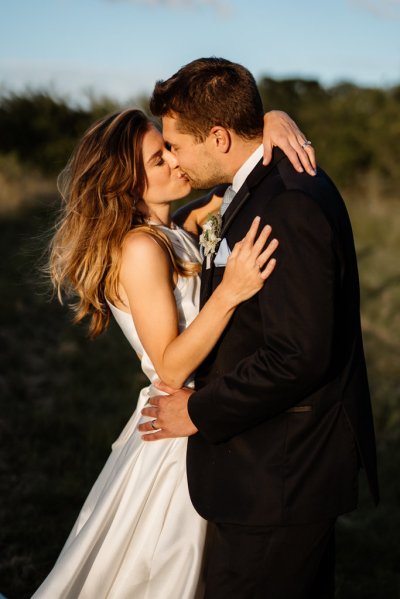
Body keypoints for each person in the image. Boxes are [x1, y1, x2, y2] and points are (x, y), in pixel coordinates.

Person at [32, 107, 314, 598]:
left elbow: (224, 181)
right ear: (126, 182)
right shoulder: (141, 248)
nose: (175, 161)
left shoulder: (171, 230)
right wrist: (231, 290)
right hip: (177, 426)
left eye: (168, 148)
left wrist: (270, 118)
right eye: (157, 159)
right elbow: (170, 363)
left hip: (198, 418)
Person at [142, 57, 380, 599]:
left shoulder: (288, 203)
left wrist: (196, 410)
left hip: (281, 473)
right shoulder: (263, 184)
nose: (174, 160)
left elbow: (297, 354)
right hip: (269, 470)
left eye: (176, 145)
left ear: (220, 137)